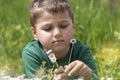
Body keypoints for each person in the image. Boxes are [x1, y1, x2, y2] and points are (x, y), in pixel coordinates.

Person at [22, 0, 98, 80]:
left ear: (73, 27)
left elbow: (96, 77)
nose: (57, 33)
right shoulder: (32, 53)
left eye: (63, 26)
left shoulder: (82, 51)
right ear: (35, 33)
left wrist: (88, 75)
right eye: (48, 29)